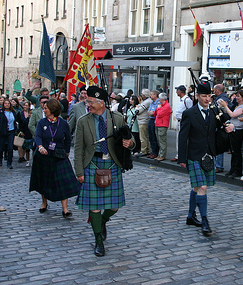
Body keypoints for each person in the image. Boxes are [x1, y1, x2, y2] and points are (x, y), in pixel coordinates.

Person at [74, 86, 135, 257]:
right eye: (88, 102)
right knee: (94, 207)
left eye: (91, 102)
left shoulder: (117, 118)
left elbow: (131, 138)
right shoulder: (83, 121)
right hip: (92, 164)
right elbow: (78, 149)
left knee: (114, 206)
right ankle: (98, 241)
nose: (88, 105)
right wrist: (79, 171)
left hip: (112, 165)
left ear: (102, 103)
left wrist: (130, 143)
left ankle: (102, 222)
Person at [178, 80, 234, 237]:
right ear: (197, 96)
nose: (207, 99)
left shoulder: (214, 112)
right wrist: (182, 157)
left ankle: (190, 216)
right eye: (204, 96)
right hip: (194, 155)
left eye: (209, 95)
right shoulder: (189, 113)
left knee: (197, 187)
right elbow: (183, 137)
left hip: (209, 156)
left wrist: (229, 127)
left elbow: (223, 126)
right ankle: (204, 220)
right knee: (202, 187)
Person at [30, 98, 81, 218]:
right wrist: (40, 146)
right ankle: (44, 202)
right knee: (44, 180)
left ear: (52, 110)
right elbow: (38, 136)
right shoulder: (42, 122)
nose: (44, 110)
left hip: (59, 155)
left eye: (46, 108)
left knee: (63, 180)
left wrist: (67, 152)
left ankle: (65, 208)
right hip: (44, 155)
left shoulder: (63, 123)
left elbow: (68, 139)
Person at [218, 90, 243, 178]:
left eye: (238, 96)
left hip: (239, 130)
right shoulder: (237, 106)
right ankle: (233, 169)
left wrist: (225, 106)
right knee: (233, 151)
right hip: (233, 130)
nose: (236, 98)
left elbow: (232, 114)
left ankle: (237, 170)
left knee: (237, 151)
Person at [212, 84, 233, 173]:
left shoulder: (221, 100)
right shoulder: (222, 98)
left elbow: (223, 111)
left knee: (219, 144)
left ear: (217, 91)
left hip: (221, 124)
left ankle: (219, 165)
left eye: (214, 90)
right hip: (221, 124)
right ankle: (217, 165)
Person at [171, 85, 193, 162]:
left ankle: (184, 156)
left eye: (177, 90)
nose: (176, 92)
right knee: (178, 139)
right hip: (179, 121)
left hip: (184, 122)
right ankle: (178, 155)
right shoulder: (182, 100)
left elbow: (190, 111)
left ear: (180, 91)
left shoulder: (187, 100)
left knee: (183, 139)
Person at [0, 99, 18, 169]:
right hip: (2, 131)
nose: (7, 105)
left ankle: (9, 162)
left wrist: (16, 130)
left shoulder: (13, 112)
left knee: (10, 148)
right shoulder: (0, 112)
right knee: (1, 147)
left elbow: (15, 121)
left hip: (11, 131)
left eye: (8, 103)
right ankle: (0, 159)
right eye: (5, 103)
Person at [154, 93, 172, 161]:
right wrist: (158, 109)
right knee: (159, 140)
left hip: (162, 125)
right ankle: (160, 154)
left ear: (161, 99)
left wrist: (158, 109)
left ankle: (162, 155)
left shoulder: (166, 106)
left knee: (162, 141)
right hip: (158, 124)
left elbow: (159, 114)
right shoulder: (161, 105)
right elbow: (155, 113)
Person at [136, 89, 152, 157]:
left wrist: (137, 108)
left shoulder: (146, 102)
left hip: (143, 120)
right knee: (146, 136)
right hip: (144, 120)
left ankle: (144, 150)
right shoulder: (147, 101)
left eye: (142, 94)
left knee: (143, 137)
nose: (141, 95)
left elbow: (138, 110)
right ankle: (147, 150)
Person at [17, 101, 34, 167]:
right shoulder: (25, 118)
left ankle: (32, 160)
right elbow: (21, 125)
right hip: (26, 135)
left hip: (31, 135)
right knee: (26, 149)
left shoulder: (33, 120)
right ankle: (25, 159)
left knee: (33, 148)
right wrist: (20, 131)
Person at [146, 90, 160, 159]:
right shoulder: (152, 102)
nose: (150, 96)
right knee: (150, 136)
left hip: (155, 120)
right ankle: (153, 151)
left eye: (151, 94)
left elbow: (155, 112)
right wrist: (151, 112)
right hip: (150, 119)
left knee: (154, 136)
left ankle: (155, 152)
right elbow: (149, 112)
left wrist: (152, 113)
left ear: (155, 95)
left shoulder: (158, 102)